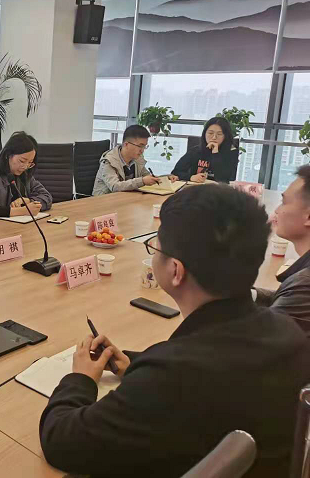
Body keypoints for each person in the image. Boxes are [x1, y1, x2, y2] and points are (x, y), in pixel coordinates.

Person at [39, 184, 310, 477]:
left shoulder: (174, 376)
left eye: (156, 247)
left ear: (176, 271)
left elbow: (61, 441)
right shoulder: (289, 333)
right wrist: (136, 366)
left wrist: (80, 379)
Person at [254, 165, 310, 332]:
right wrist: (246, 294)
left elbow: (262, 340)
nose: (277, 210)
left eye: (284, 202)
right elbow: (286, 298)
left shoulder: (304, 286)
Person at [0, 131, 52, 218]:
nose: (25, 167)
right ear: (8, 155)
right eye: (22, 161)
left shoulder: (24, 173)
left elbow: (47, 197)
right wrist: (23, 211)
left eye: (30, 163)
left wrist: (28, 201)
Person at [92, 125, 172, 196]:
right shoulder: (108, 161)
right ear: (126, 144)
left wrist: (166, 178)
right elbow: (115, 186)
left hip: (125, 199)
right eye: (140, 146)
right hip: (103, 201)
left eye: (144, 146)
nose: (142, 150)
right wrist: (142, 181)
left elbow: (147, 176)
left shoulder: (137, 159)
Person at [172, 116, 239, 183]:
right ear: (204, 134)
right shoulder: (196, 150)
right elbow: (176, 172)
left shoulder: (231, 151)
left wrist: (215, 153)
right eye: (210, 133)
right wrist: (191, 177)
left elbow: (225, 179)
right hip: (197, 187)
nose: (214, 137)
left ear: (225, 136)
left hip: (219, 188)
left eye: (219, 134)